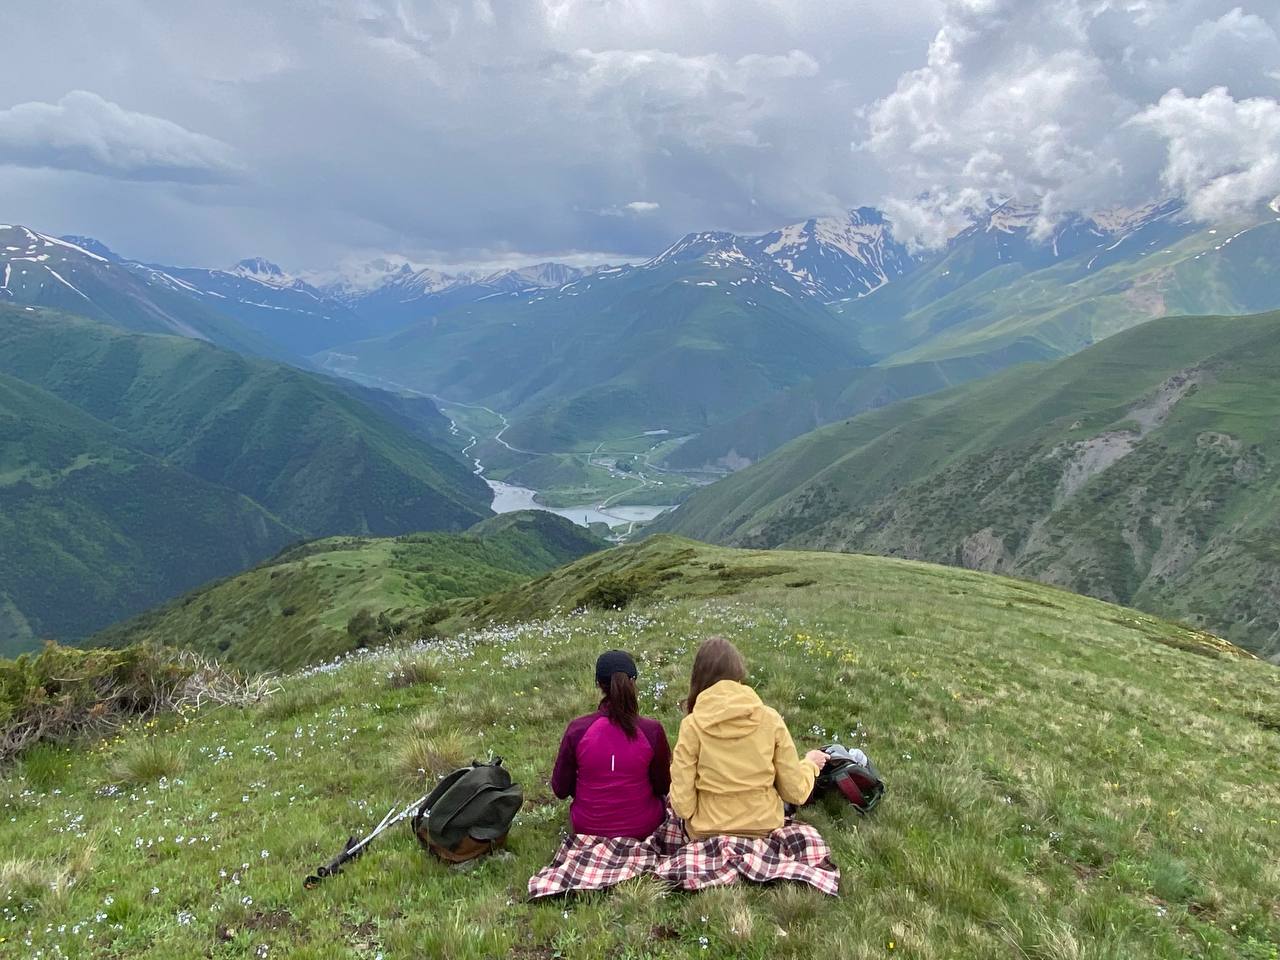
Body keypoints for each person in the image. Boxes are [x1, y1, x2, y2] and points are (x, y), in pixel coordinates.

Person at [670, 636, 828, 839]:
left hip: (706, 834)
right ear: (738, 675)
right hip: (764, 829)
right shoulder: (770, 719)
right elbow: (795, 792)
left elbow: (683, 807)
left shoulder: (691, 726)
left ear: (698, 678)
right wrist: (810, 764)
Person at [551, 649, 672, 839]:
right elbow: (663, 786)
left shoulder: (578, 729)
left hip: (587, 829)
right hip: (643, 829)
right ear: (633, 682)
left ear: (599, 684)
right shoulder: (651, 730)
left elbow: (560, 789)